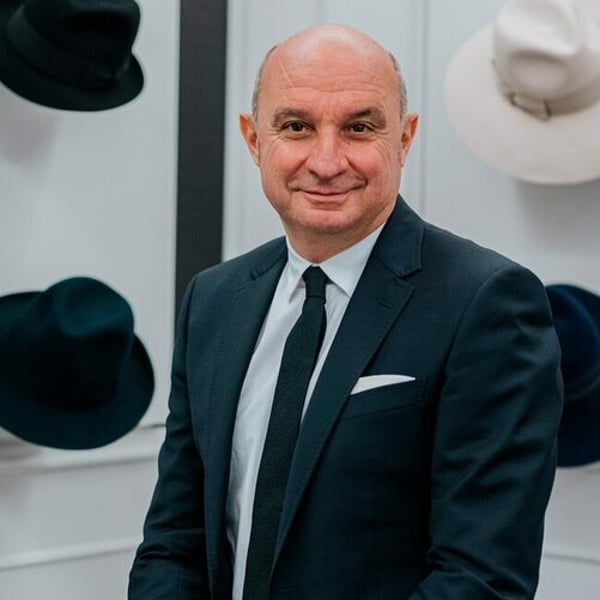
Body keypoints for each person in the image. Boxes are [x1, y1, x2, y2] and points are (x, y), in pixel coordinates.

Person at [129, 23, 563, 599]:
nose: (327, 161)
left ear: (404, 138)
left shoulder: (488, 302)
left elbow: (480, 578)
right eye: (296, 126)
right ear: (254, 139)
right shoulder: (212, 299)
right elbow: (173, 539)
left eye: (359, 127)